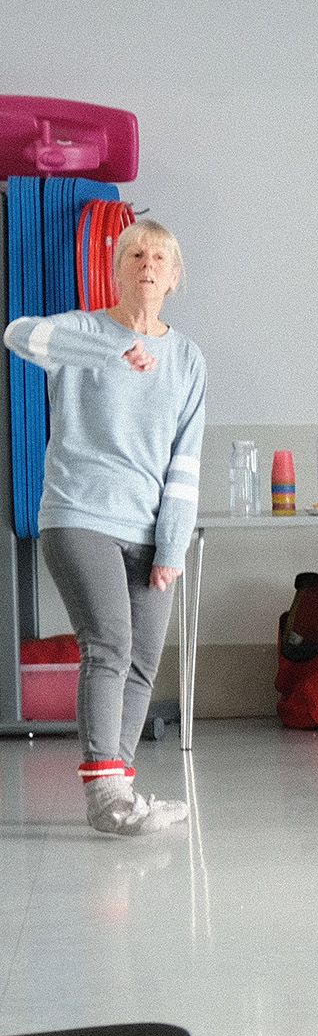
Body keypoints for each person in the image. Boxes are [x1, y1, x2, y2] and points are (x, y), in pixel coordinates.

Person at [3, 219, 201, 837]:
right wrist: (108, 350)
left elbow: (184, 462)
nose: (146, 262)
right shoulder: (82, 332)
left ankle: (121, 790)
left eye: (159, 257)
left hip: (148, 529)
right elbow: (16, 334)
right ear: (116, 270)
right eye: (135, 253)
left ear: (173, 278)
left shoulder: (189, 359)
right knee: (109, 646)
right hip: (78, 515)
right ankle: (105, 797)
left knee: (143, 660)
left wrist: (172, 545)